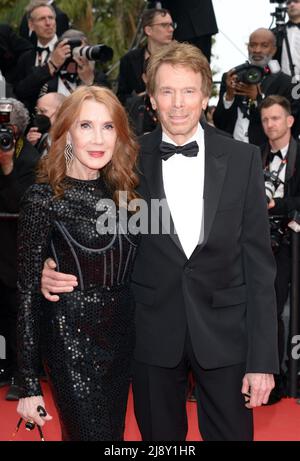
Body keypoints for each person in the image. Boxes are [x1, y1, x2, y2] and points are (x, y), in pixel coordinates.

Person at [41, 41, 279, 441]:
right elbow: (88, 225)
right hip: (151, 332)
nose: (179, 103)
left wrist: (263, 360)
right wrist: (53, 264)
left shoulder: (243, 158)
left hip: (226, 334)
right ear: (151, 99)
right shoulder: (124, 159)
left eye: (188, 91)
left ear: (206, 95)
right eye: (167, 91)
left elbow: (259, 266)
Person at [16, 85, 140, 441]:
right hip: (71, 343)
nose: (98, 138)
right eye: (85, 126)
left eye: (108, 127)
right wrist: (27, 384)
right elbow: (25, 294)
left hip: (121, 344)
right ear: (66, 132)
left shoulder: (128, 197)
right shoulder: (43, 199)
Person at [260, 95, 300, 404]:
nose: (270, 124)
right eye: (265, 120)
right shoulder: (256, 155)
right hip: (260, 243)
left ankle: (289, 376)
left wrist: (278, 206)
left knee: (280, 310)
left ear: (289, 120)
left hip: (291, 242)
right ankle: (269, 377)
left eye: (275, 118)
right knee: (264, 310)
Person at [0, 99, 41, 401]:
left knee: (18, 315)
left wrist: (8, 168)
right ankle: (4, 366)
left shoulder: (31, 160)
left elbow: (22, 205)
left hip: (18, 251)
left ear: (15, 129)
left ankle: (21, 372)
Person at [213, 28, 297, 146]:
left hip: (263, 155)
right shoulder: (231, 77)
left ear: (273, 50)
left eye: (264, 46)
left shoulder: (287, 83)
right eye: (253, 45)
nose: (257, 50)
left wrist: (258, 100)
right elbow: (219, 122)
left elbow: (288, 128)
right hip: (231, 151)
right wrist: (229, 96)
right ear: (248, 48)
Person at [117, 8, 174, 106]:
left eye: (171, 25)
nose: (171, 29)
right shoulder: (129, 60)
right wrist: (139, 98)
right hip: (140, 116)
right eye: (164, 25)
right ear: (148, 30)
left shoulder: (180, 57)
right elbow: (121, 97)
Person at [273, 0, 300, 78]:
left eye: (296, 1)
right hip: (283, 85)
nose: (292, 4)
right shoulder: (275, 33)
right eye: (288, 3)